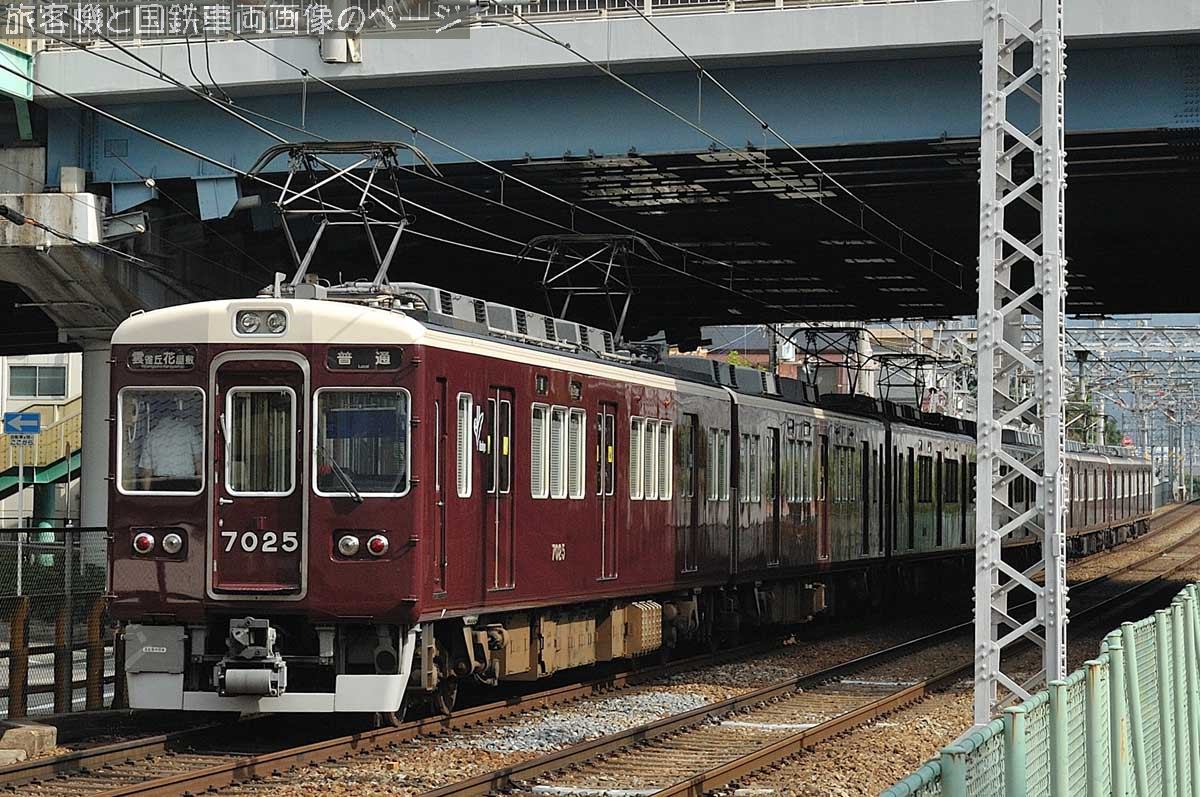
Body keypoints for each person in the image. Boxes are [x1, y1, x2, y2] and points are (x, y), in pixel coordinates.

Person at [138, 402, 202, 492]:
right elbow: (198, 461)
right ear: (174, 412)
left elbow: (147, 472)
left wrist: (146, 494)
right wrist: (200, 485)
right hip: (186, 484)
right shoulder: (189, 430)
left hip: (160, 485)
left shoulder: (151, 436)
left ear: (154, 414)